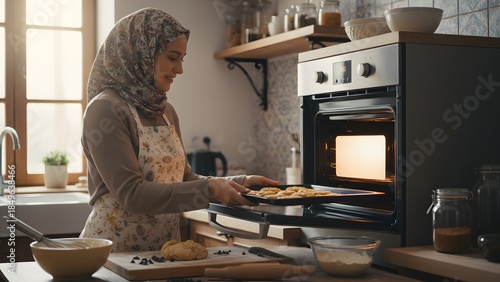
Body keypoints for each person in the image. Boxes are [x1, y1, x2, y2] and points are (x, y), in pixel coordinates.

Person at [79, 7, 279, 252]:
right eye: (172, 57)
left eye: (182, 59)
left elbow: (184, 179)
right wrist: (210, 189)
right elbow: (132, 194)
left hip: (164, 250)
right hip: (115, 253)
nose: (180, 69)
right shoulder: (105, 110)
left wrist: (239, 183)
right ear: (141, 53)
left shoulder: (165, 110)